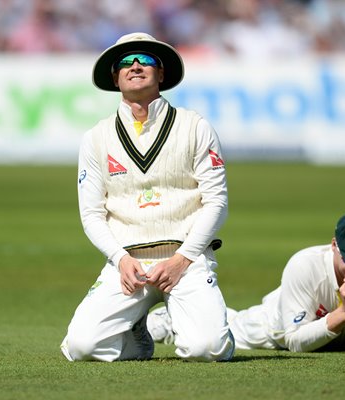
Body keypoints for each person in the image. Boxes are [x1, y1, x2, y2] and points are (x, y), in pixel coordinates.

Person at [60, 32, 235, 362]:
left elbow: (217, 202)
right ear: (115, 77)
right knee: (82, 347)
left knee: (207, 349)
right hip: (128, 263)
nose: (135, 65)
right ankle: (138, 336)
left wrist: (183, 258)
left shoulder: (194, 126)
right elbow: (91, 214)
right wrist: (120, 258)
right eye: (126, 61)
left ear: (162, 73)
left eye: (146, 60)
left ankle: (204, 325)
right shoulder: (96, 137)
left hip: (187, 259)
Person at [149, 212, 345, 353]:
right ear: (334, 245)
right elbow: (294, 342)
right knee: (229, 330)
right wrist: (344, 314)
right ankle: (171, 320)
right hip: (270, 330)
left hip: (340, 341)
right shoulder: (305, 265)